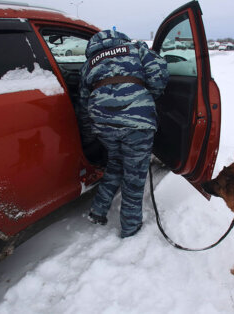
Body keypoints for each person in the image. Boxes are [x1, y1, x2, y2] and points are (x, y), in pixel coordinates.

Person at [77, 29, 169, 238]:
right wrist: (145, 99)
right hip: (137, 124)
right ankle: (130, 228)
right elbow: (158, 73)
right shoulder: (136, 49)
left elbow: (82, 103)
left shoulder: (89, 63)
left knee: (116, 164)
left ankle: (98, 210)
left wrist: (88, 135)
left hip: (102, 123)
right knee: (134, 177)